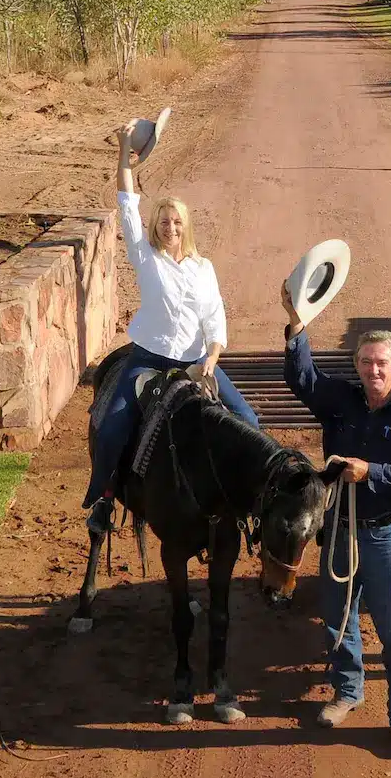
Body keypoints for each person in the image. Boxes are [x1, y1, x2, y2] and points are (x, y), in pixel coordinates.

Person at [283, 297, 391, 760]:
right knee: (338, 617)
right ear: (357, 364)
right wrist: (297, 325)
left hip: (386, 535)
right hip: (338, 528)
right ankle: (347, 691)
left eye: (383, 363)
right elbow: (302, 379)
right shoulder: (341, 402)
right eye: (367, 362)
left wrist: (371, 471)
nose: (375, 370)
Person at [82, 122, 258, 529]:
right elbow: (127, 204)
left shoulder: (203, 268)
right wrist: (125, 153)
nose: (170, 227)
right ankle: (104, 497)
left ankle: (242, 496)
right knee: (110, 427)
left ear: (186, 226)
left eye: (176, 221)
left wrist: (213, 356)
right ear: (156, 226)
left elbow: (215, 314)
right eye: (163, 220)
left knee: (248, 420)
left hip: (198, 361)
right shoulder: (145, 257)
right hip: (148, 360)